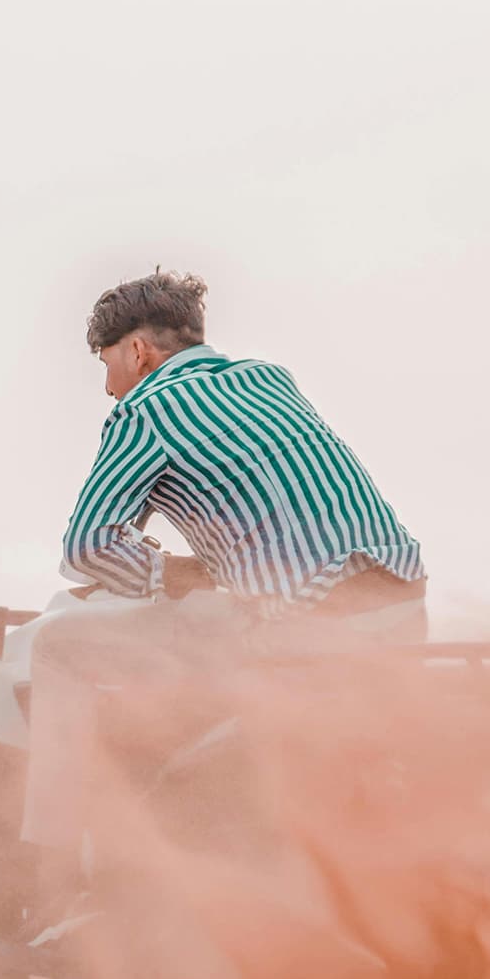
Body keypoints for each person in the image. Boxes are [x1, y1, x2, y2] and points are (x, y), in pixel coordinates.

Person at [25, 270, 427, 858]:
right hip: (400, 607)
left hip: (304, 628)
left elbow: (87, 545)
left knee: (56, 645)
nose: (109, 387)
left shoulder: (145, 411)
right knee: (216, 621)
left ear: (137, 352)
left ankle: (50, 864)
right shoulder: (270, 379)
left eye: (106, 365)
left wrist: (171, 573)